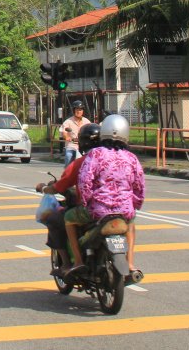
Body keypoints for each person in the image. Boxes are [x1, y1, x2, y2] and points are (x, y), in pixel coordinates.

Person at [62, 113, 145, 281]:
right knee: (131, 223)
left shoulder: (96, 155)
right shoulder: (132, 158)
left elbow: (85, 182)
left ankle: (78, 261)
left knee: (68, 218)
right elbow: (140, 186)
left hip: (97, 211)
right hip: (124, 211)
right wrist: (134, 205)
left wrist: (86, 202)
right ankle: (130, 264)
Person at [36, 123, 100, 276]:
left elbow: (60, 186)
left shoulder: (82, 162)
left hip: (91, 209)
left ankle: (69, 263)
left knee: (55, 220)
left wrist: (44, 188)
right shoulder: (117, 160)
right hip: (118, 208)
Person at [60, 101, 91, 167]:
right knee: (69, 156)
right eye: (77, 109)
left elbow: (91, 130)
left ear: (83, 111)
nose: (79, 111)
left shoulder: (86, 121)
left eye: (80, 110)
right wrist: (67, 137)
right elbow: (64, 132)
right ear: (73, 110)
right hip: (72, 146)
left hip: (84, 146)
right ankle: (67, 173)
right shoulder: (68, 121)